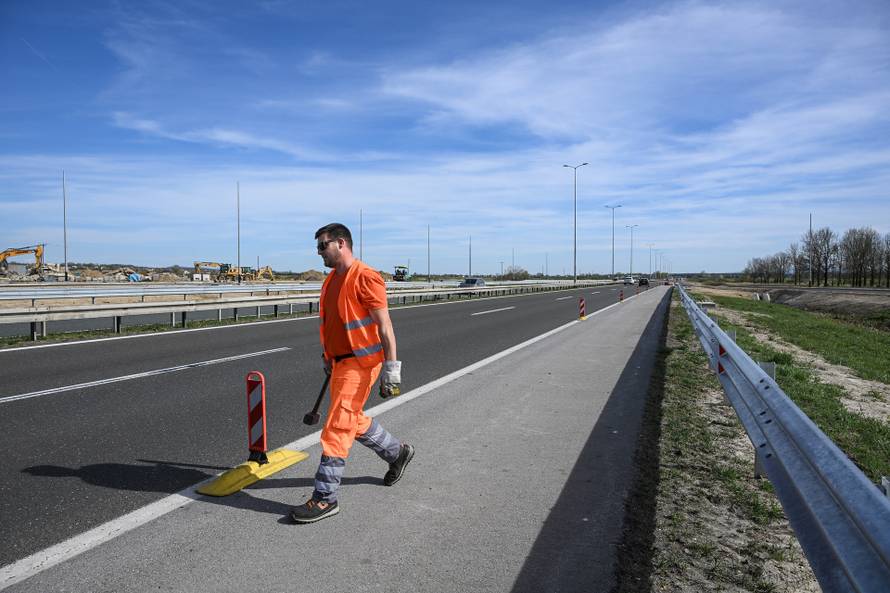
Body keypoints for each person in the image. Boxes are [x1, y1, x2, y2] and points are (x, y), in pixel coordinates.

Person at [290, 223, 414, 524]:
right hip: (340, 363)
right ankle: (397, 453)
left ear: (341, 243)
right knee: (351, 419)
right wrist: (328, 356)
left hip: (362, 363)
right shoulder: (330, 281)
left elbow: (385, 327)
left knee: (336, 427)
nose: (319, 253)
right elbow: (332, 323)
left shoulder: (366, 277)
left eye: (323, 246)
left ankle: (325, 498)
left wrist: (391, 370)